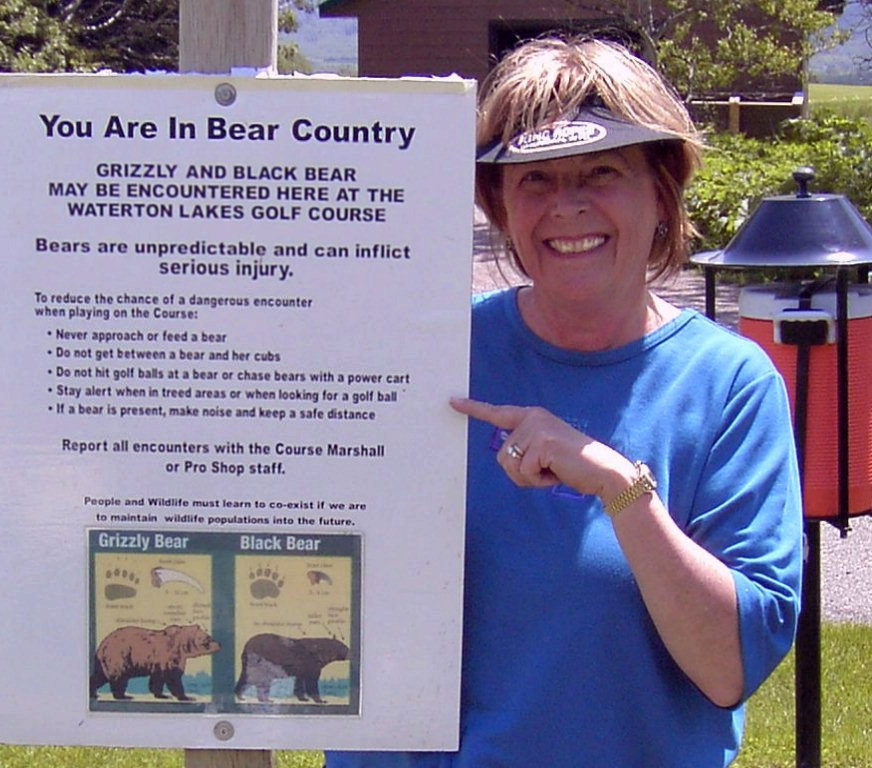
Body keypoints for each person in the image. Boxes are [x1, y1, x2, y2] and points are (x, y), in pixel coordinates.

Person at [326, 37, 802, 768]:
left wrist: (620, 488)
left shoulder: (729, 386)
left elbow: (728, 669)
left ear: (661, 189)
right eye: (536, 180)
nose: (567, 206)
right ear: (498, 203)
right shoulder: (428, 359)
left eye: (602, 172)